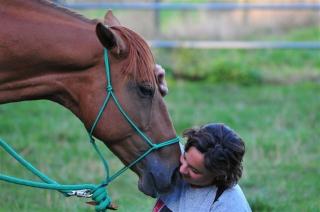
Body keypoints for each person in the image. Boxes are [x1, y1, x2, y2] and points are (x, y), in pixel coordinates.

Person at [153, 123, 251, 212]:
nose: (182, 169)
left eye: (194, 170)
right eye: (185, 158)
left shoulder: (228, 206)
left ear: (218, 175)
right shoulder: (176, 157)